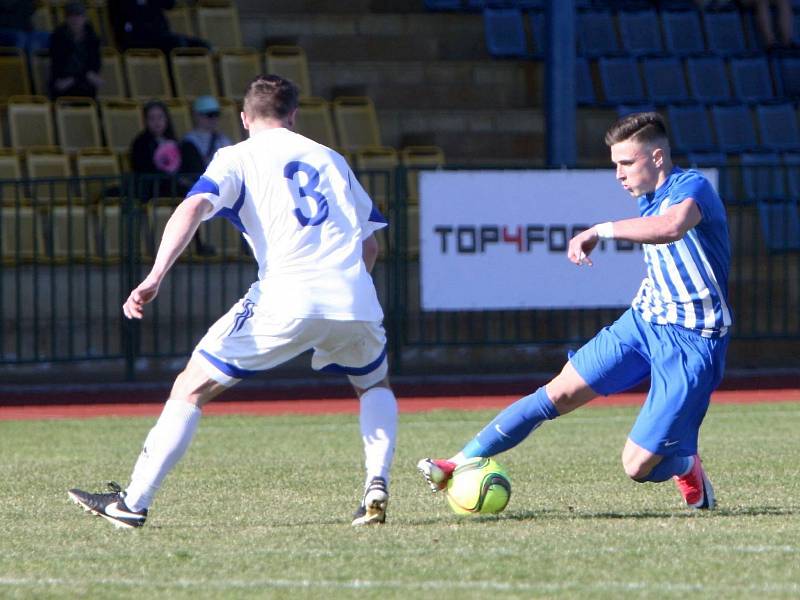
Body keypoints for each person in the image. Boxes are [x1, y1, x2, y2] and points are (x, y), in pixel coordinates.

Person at [67, 74, 398, 528]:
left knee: (190, 386)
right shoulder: (331, 158)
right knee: (373, 386)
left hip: (284, 297)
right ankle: (375, 486)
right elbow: (372, 246)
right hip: (355, 297)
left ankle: (132, 504)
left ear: (244, 119)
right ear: (294, 116)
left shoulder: (235, 157)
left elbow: (191, 208)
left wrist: (156, 275)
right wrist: (345, 293)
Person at [418, 112, 732, 511]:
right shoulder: (644, 196)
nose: (618, 173)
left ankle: (686, 464)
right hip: (643, 323)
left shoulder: (693, 187)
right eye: (614, 164)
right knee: (557, 392)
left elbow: (671, 227)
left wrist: (599, 230)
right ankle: (456, 461)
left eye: (626, 163)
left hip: (693, 340)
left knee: (636, 466)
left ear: (656, 158)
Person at [131, 99, 216, 256]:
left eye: (160, 118)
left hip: (172, 186)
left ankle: (195, 244)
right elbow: (142, 169)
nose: (157, 122)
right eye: (152, 118)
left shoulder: (175, 141)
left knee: (192, 199)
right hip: (153, 187)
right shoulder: (140, 143)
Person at [109, 0, 209, 53]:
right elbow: (118, 20)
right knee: (176, 44)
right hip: (136, 38)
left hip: (160, 34)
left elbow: (169, 4)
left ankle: (203, 89)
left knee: (202, 46)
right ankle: (174, 88)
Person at [48, 2, 102, 99]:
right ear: (67, 18)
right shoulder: (58, 37)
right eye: (71, 16)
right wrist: (83, 75)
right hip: (64, 80)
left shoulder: (93, 38)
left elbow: (94, 64)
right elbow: (58, 64)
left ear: (85, 18)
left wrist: (76, 78)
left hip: (84, 81)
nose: (75, 20)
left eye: (78, 16)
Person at [180, 95, 233, 172]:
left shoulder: (223, 139)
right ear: (196, 116)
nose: (214, 118)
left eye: (217, 114)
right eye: (210, 115)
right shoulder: (189, 141)